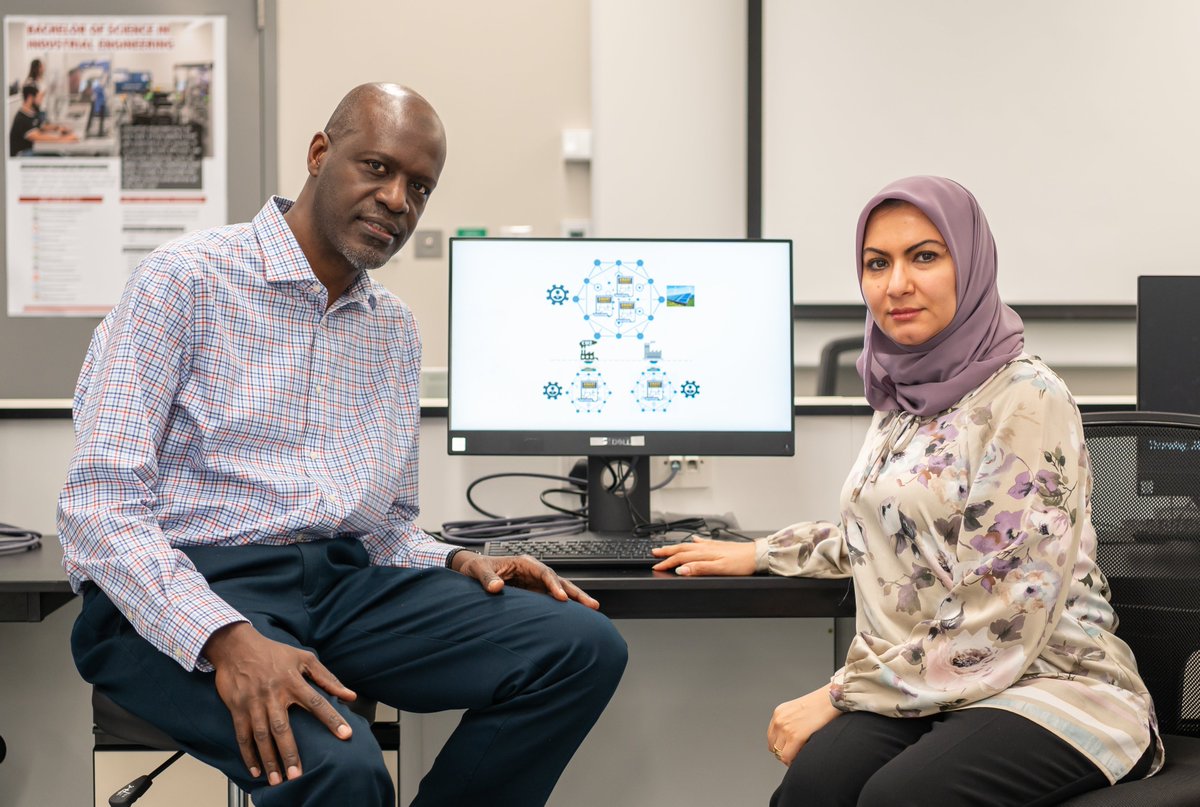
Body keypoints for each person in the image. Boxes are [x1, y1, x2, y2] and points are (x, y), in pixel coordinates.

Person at [59, 82, 627, 807]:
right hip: (186, 588)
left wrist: (457, 559)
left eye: (420, 187)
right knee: (343, 766)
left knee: (580, 646)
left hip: (335, 586)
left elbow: (383, 527)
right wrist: (226, 636)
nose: (398, 200)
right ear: (320, 155)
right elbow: (100, 507)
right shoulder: (187, 280)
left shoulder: (391, 328)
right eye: (378, 168)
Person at [652, 175, 1161, 806]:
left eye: (924, 256)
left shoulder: (1026, 397)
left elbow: (1005, 610)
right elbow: (894, 530)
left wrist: (837, 694)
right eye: (876, 263)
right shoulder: (904, 394)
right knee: (814, 789)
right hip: (925, 680)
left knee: (901, 799)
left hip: (1046, 680)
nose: (896, 284)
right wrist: (762, 552)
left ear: (969, 264)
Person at [9, 84, 77, 157]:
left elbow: (41, 126)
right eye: (39, 97)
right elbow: (38, 138)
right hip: (21, 154)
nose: (41, 101)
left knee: (59, 154)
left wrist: (58, 128)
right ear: (30, 98)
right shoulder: (22, 119)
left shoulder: (31, 113)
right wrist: (63, 139)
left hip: (31, 149)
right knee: (58, 155)